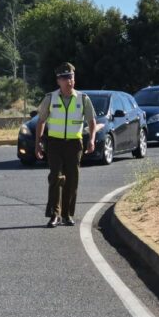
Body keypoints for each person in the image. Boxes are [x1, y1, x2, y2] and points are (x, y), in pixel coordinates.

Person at [34, 62, 101, 228]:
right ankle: (54, 215)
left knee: (72, 180)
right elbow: (41, 121)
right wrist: (38, 143)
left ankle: (67, 214)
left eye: (70, 77)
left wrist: (91, 139)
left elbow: (92, 121)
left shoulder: (83, 99)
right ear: (58, 81)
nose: (68, 81)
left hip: (74, 144)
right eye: (64, 78)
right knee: (55, 177)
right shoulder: (50, 98)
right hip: (55, 144)